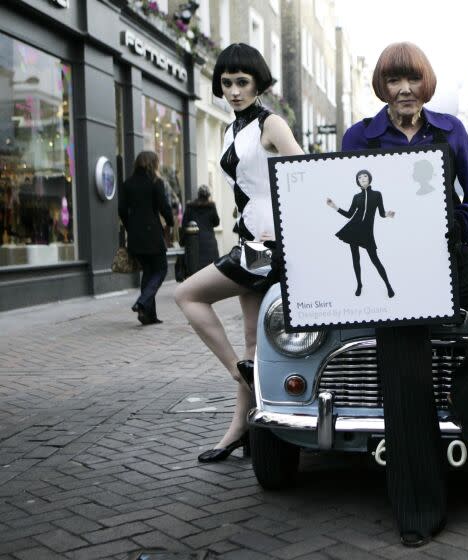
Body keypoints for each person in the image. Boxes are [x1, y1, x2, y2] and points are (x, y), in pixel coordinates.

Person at [341, 42, 468, 547]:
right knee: (405, 383)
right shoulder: (360, 137)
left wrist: (454, 228)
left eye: (412, 80)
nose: (404, 90)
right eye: (394, 81)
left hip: (448, 250)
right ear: (382, 87)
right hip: (391, 268)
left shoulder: (450, 131)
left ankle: (466, 399)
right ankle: (418, 512)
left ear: (425, 84)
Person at [174, 43, 304, 463]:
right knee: (252, 340)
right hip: (251, 241)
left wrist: (285, 228)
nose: (233, 90)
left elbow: (306, 175)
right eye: (226, 83)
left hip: (269, 245)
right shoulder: (232, 129)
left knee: (188, 294)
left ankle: (239, 372)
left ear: (258, 83)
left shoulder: (272, 124)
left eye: (242, 82)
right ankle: (240, 429)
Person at [118, 151, 174, 325]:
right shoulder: (155, 183)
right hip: (152, 235)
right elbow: (164, 206)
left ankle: (148, 315)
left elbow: (121, 210)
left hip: (135, 237)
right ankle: (142, 302)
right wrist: (171, 222)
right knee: (161, 269)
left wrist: (130, 227)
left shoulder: (127, 184)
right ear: (153, 164)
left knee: (148, 273)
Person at [326, 170, 396, 297]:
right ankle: (359, 284)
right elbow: (349, 214)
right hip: (353, 229)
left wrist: (387, 214)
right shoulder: (356, 197)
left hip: (367, 232)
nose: (362, 178)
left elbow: (381, 213)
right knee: (355, 259)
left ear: (369, 178)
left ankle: (388, 286)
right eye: (359, 177)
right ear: (357, 181)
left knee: (375, 260)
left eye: (365, 176)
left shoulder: (377, 195)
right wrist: (334, 206)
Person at [182, 185, 221, 270]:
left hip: (194, 243)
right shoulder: (211, 207)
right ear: (208, 196)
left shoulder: (190, 207)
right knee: (210, 270)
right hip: (210, 244)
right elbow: (216, 222)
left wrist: (182, 242)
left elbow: (184, 225)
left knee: (195, 270)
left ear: (198, 195)